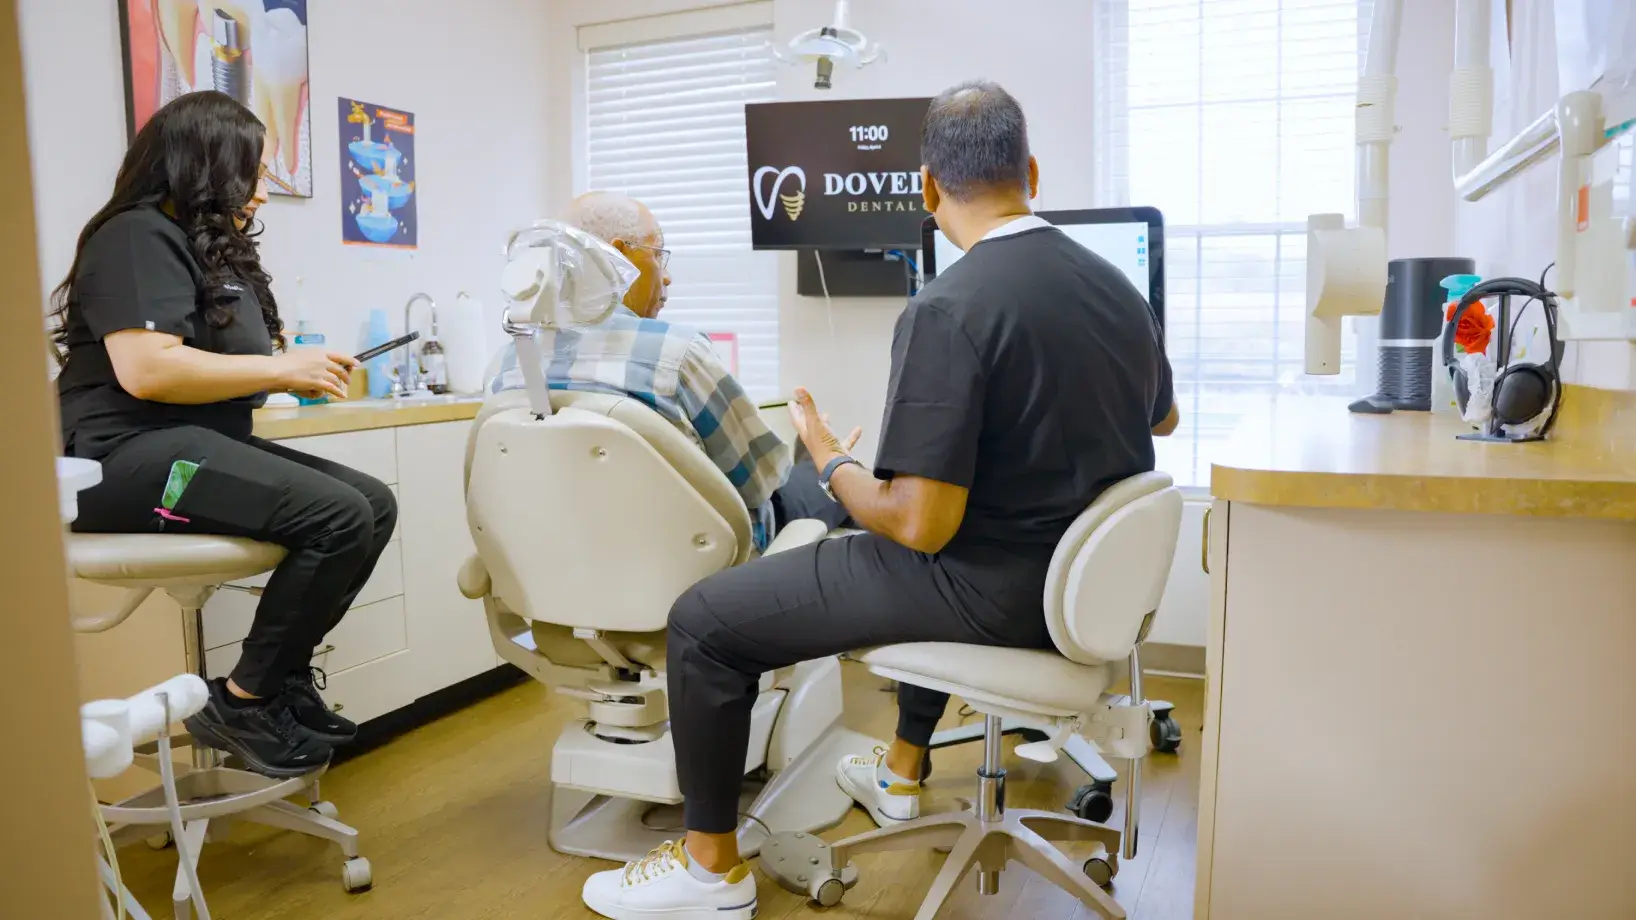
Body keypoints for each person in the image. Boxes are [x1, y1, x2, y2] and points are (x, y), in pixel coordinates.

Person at [579, 81, 1179, 920]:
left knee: (704, 625)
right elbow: (1164, 415)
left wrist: (827, 460)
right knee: (906, 556)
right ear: (1031, 173)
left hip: (987, 588)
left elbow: (917, 522)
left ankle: (711, 872)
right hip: (1073, 589)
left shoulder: (950, 307)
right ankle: (901, 767)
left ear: (928, 190)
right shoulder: (1117, 290)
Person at [56, 91, 397, 778]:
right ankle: (244, 700)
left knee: (373, 503)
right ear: (206, 163)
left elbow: (216, 366)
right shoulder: (134, 236)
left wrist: (286, 375)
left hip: (185, 451)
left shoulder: (212, 251)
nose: (263, 194)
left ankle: (280, 679)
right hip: (121, 461)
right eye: (256, 172)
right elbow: (148, 370)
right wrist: (278, 365)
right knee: (333, 512)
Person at [487, 191, 851, 548]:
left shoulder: (509, 366)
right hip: (701, 562)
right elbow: (762, 480)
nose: (667, 277)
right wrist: (825, 456)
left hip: (572, 559)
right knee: (823, 474)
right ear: (620, 254)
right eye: (659, 255)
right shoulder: (675, 355)